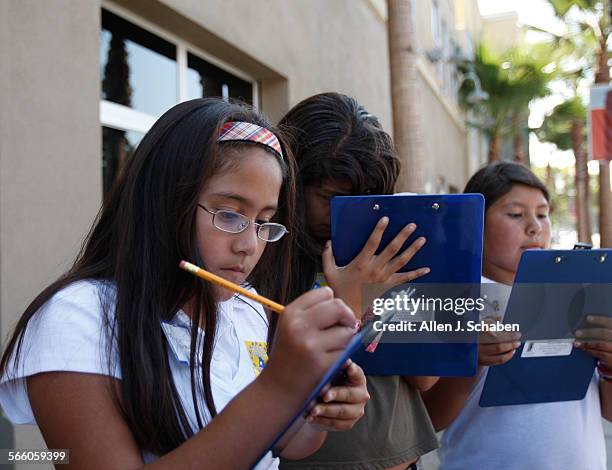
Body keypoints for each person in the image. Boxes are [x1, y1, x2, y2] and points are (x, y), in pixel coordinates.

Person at [0, 98, 370, 469]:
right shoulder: (77, 320)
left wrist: (320, 406)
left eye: (264, 222)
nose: (249, 245)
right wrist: (277, 388)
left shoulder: (246, 308)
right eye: (229, 214)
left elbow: (287, 442)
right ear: (166, 203)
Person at [278, 92, 439, 470]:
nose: (344, 216)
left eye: (366, 200)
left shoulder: (387, 254)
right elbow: (273, 377)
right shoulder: (266, 252)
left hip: (398, 453)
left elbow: (425, 378)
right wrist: (345, 299)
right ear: (291, 182)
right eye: (330, 198)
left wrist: (395, 289)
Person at [429, 161, 608, 469]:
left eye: (542, 214)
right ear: (473, 224)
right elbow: (428, 418)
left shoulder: (578, 292)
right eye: (515, 214)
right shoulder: (450, 299)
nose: (535, 227)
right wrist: (469, 357)